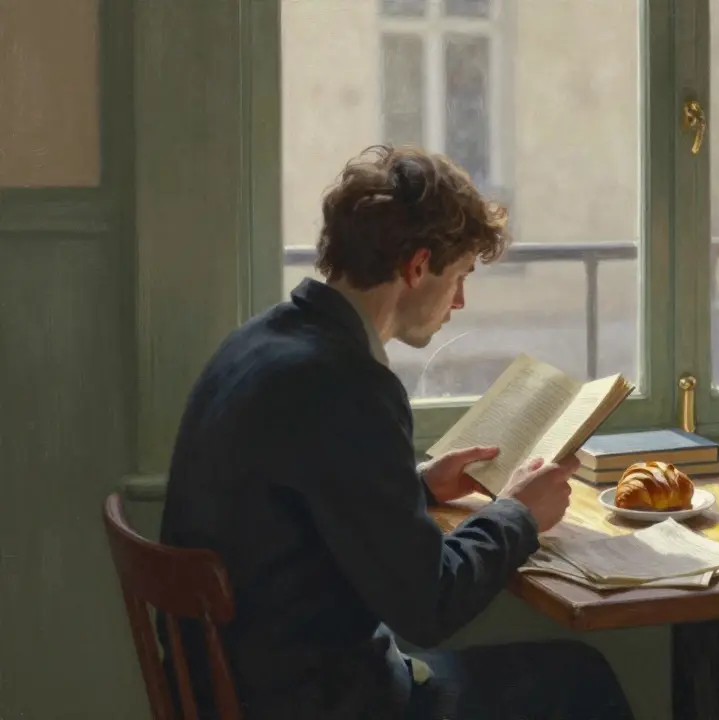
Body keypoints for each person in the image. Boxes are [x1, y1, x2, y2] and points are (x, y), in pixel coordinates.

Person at [157, 145, 635, 720]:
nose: (459, 300)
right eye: (458, 276)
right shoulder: (344, 382)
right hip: (320, 704)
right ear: (416, 267)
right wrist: (520, 515)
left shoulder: (259, 342)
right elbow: (428, 605)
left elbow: (298, 509)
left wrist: (421, 487)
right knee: (580, 678)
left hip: (240, 690)